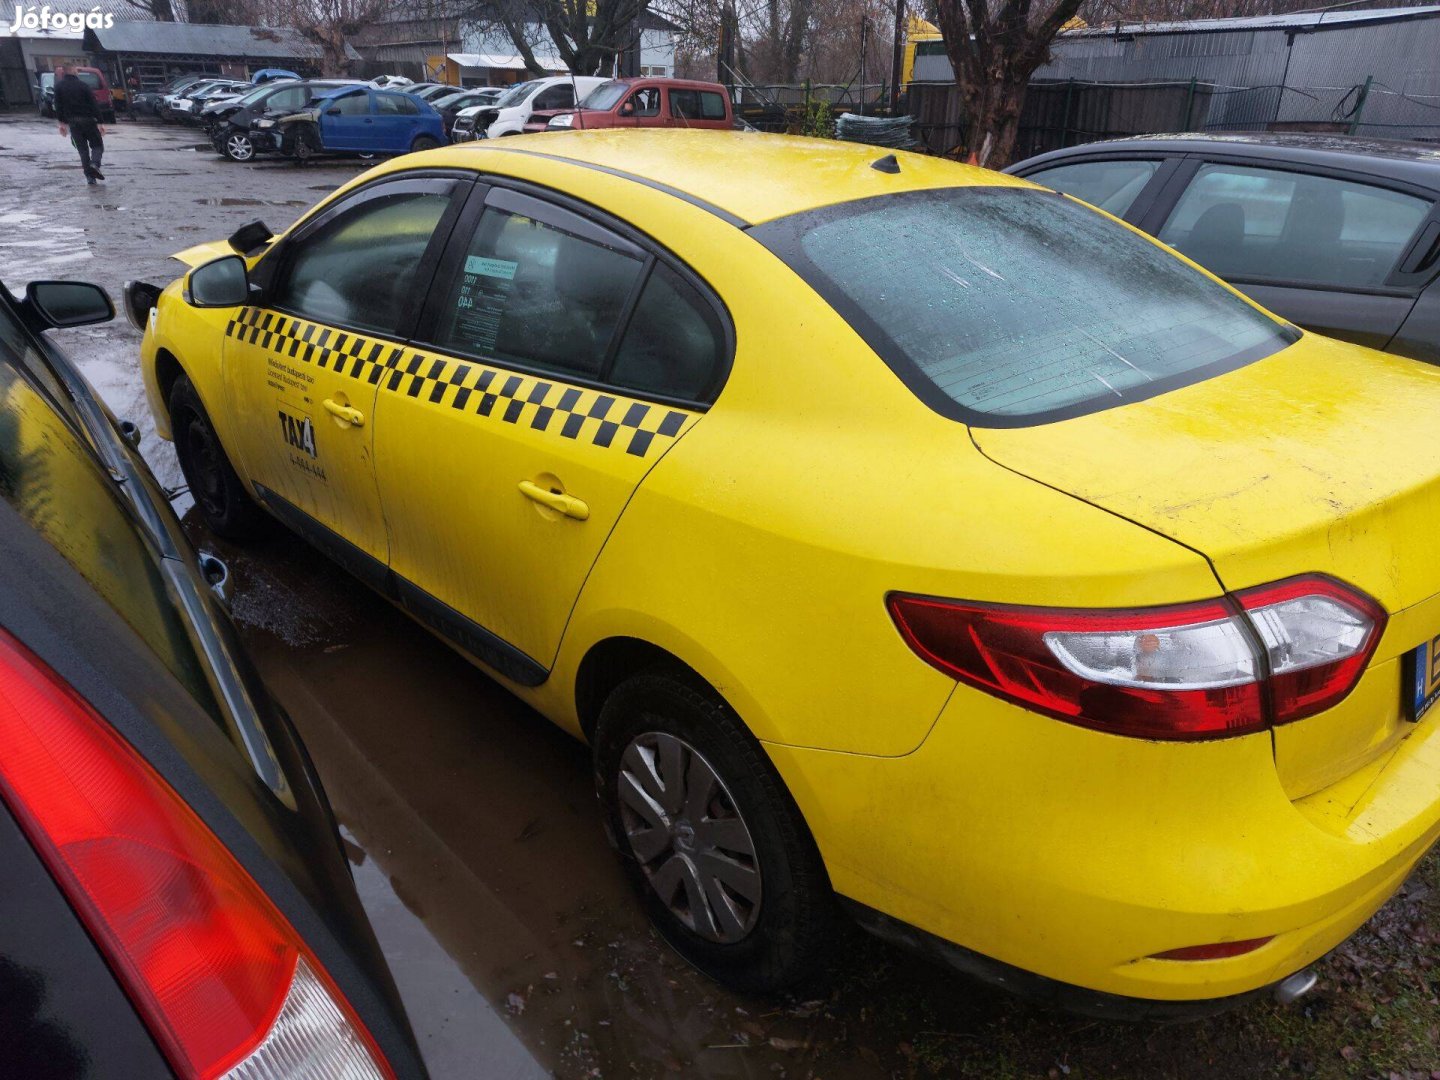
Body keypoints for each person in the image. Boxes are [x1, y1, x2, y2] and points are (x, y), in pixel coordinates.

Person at [53, 65, 106, 185]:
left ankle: (90, 177)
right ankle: (95, 164)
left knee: (82, 150)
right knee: (97, 146)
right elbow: (93, 104)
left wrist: (62, 123)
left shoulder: (59, 87)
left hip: (73, 123)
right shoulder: (84, 86)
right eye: (76, 70)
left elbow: (58, 106)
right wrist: (100, 122)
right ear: (73, 71)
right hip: (89, 121)